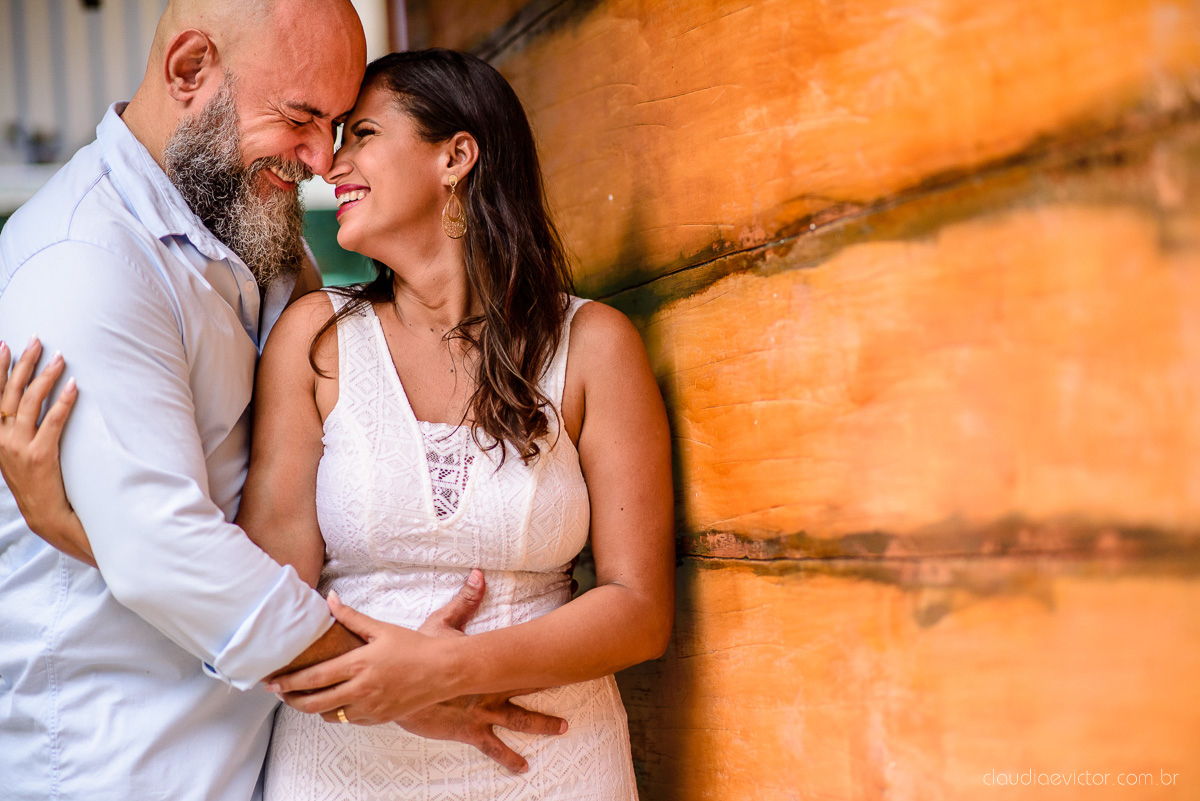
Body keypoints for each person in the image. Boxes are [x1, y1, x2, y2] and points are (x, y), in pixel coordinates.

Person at [2, 48, 676, 799]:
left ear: (455, 156)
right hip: (346, 764)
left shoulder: (592, 345)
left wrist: (446, 670)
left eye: (361, 133)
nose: (330, 163)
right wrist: (74, 527)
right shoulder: (314, 339)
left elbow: (639, 610)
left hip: (549, 758)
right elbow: (255, 584)